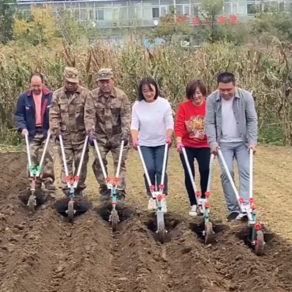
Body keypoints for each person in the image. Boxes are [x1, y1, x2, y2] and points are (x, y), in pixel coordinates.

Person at [205, 72, 258, 222]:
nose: (226, 93)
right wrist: (213, 143)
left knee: (245, 171)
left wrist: (252, 141)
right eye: (222, 90)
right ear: (218, 87)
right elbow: (209, 122)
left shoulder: (246, 97)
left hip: (243, 142)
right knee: (226, 174)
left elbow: (252, 120)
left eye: (229, 89)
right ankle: (234, 209)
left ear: (235, 86)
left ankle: (246, 207)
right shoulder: (211, 100)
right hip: (224, 144)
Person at [84, 68, 131, 204]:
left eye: (107, 81)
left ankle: (120, 191)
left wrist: (126, 131)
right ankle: (105, 188)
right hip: (100, 135)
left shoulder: (121, 96)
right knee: (99, 161)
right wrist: (90, 131)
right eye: (102, 82)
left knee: (120, 162)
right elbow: (89, 115)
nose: (105, 85)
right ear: (98, 82)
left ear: (113, 81)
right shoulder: (92, 96)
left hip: (118, 135)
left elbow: (126, 115)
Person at [131, 77, 174, 213]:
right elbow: (134, 125)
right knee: (149, 169)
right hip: (145, 143)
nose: (148, 94)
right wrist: (134, 138)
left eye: (151, 90)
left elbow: (169, 123)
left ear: (155, 89)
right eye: (145, 91)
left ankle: (162, 197)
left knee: (160, 170)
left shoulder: (164, 103)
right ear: (141, 92)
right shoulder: (137, 106)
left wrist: (168, 135)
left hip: (162, 142)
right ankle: (151, 196)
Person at [50, 67, 91, 198]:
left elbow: (89, 114)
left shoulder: (85, 94)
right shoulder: (57, 95)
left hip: (81, 136)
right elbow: (54, 114)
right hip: (64, 136)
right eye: (68, 82)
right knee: (66, 163)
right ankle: (68, 190)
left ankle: (78, 189)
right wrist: (56, 129)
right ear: (64, 81)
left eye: (73, 82)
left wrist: (90, 130)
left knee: (81, 163)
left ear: (78, 81)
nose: (70, 85)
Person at [15, 73, 55, 202]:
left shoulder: (51, 96)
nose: (36, 88)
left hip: (46, 132)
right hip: (31, 133)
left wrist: (53, 127)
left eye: (38, 85)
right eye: (33, 86)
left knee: (46, 154)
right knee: (31, 156)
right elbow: (19, 115)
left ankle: (49, 185)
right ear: (30, 85)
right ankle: (34, 184)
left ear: (43, 84)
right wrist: (23, 128)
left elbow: (55, 114)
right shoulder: (23, 98)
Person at [175, 79, 211, 217]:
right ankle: (193, 203)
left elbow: (214, 125)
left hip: (204, 145)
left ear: (202, 92)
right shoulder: (183, 107)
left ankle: (203, 199)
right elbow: (178, 126)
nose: (196, 96)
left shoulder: (209, 106)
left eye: (198, 93)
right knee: (189, 173)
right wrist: (178, 141)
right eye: (193, 94)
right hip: (187, 145)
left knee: (205, 170)